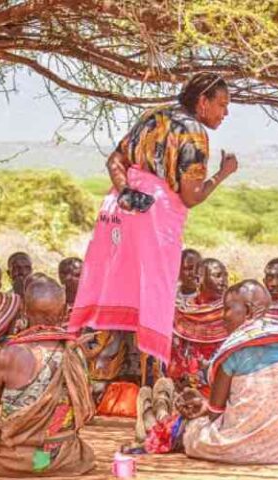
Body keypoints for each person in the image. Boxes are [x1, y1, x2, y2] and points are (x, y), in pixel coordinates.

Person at [69, 73, 238, 364]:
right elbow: (191, 196)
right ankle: (146, 373)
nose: (225, 113)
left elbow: (114, 160)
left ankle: (95, 368)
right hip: (155, 215)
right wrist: (224, 173)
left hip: (120, 207)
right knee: (153, 292)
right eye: (222, 105)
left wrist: (126, 192)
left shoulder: (152, 116)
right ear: (202, 102)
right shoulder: (193, 132)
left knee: (109, 281)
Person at [174, 280, 278, 463]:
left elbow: (215, 413)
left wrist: (204, 409)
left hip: (238, 448)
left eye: (227, 309)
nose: (223, 316)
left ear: (247, 311)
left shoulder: (233, 350)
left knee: (192, 432)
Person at [0, 278, 95, 476]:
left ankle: (36, 462)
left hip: (11, 460)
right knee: (60, 416)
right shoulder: (76, 352)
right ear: (64, 313)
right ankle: (42, 463)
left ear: (23, 311)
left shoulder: (9, 354)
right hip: (61, 457)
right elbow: (83, 410)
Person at [168, 258, 229, 395]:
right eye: (218, 276)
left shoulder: (231, 313)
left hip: (221, 388)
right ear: (198, 280)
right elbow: (176, 351)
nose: (224, 281)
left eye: (226, 276)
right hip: (186, 386)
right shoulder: (183, 313)